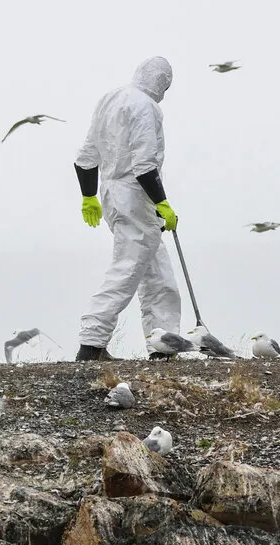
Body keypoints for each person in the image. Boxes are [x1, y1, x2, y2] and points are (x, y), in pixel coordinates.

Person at [72, 57, 182, 361]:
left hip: (112, 193)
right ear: (162, 82)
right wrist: (161, 202)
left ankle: (165, 344)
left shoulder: (110, 99)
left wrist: (88, 195)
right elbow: (144, 165)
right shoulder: (147, 107)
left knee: (158, 274)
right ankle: (91, 343)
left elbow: (86, 156)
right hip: (135, 196)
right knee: (128, 267)